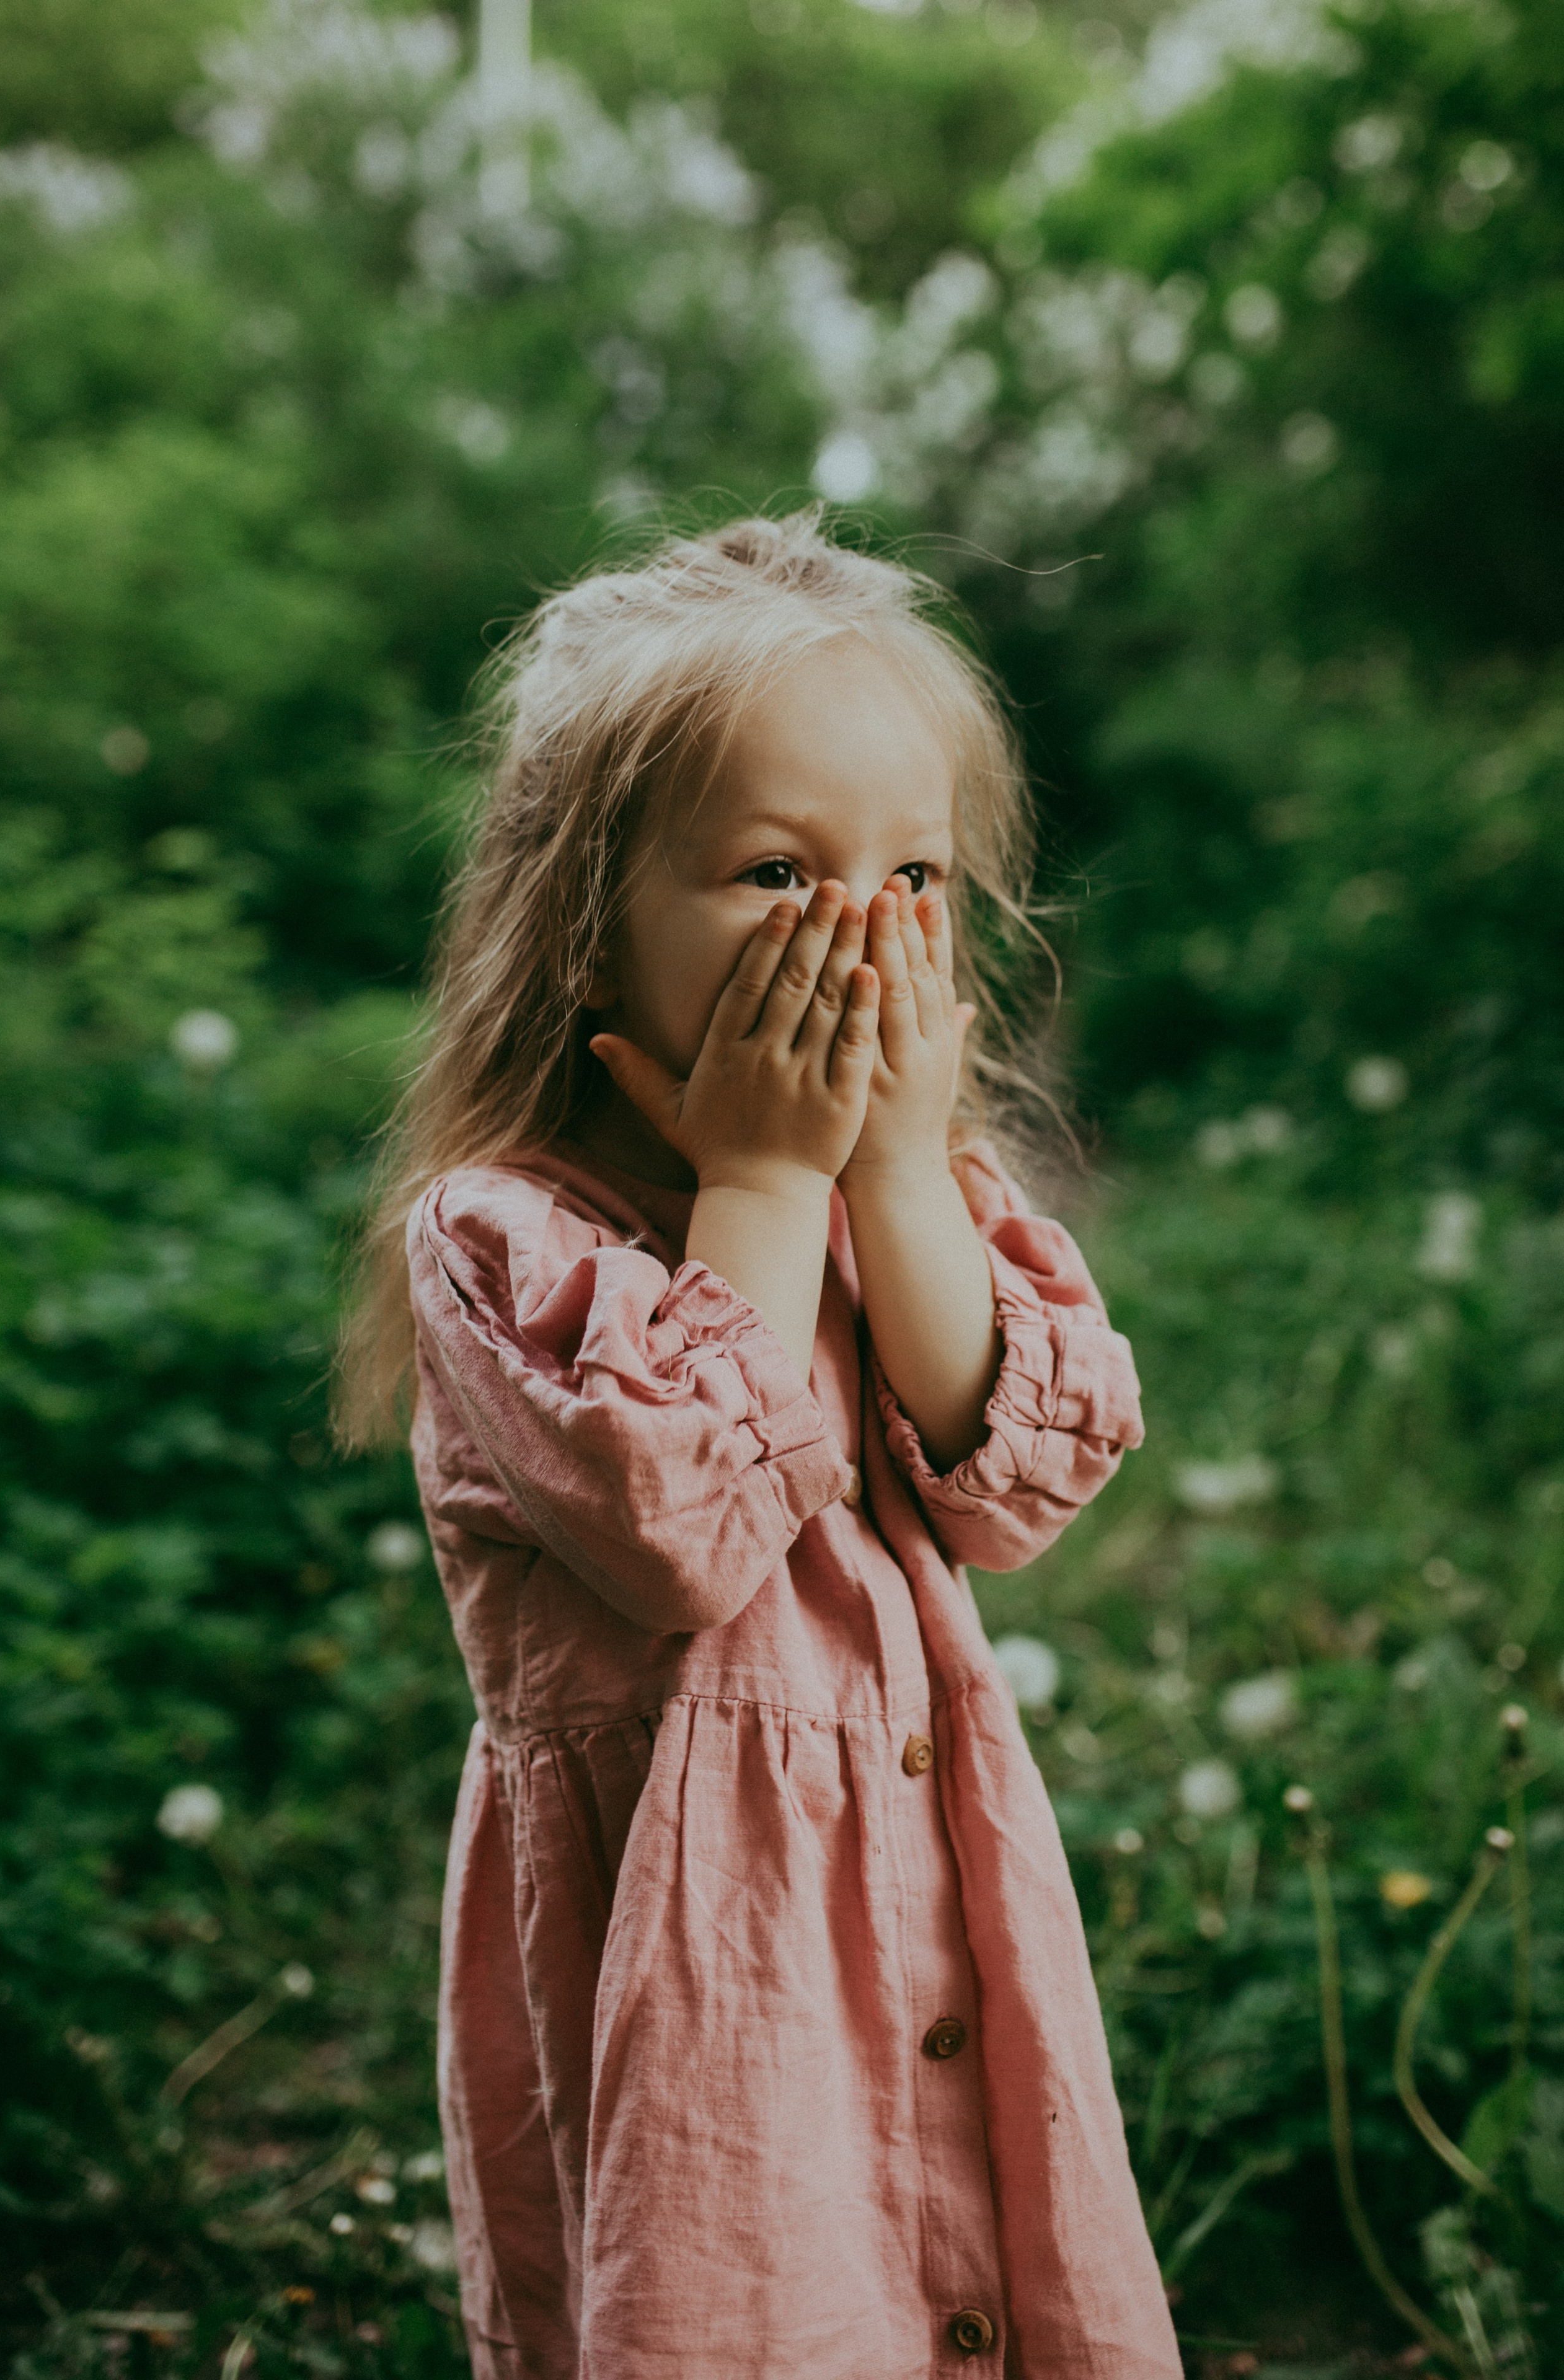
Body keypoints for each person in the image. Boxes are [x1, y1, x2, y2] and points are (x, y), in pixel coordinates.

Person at [338, 513, 1180, 2380]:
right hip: (703, 1985)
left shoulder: (923, 1198)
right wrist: (765, 1176)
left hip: (929, 1923)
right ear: (584, 914)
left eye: (915, 876)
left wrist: (883, 1168)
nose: (859, 934)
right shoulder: (511, 1240)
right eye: (777, 874)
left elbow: (1015, 1482)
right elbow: (684, 1526)